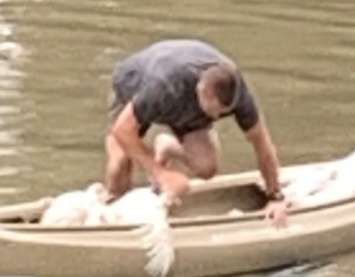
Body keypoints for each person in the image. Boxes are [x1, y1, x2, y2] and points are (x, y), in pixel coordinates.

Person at [104, 38, 288, 225]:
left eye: (222, 114)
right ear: (200, 90)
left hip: (186, 107)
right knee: (120, 162)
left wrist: (275, 196)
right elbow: (123, 130)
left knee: (207, 168)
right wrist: (160, 173)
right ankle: (112, 207)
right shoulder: (163, 85)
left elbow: (262, 143)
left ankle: (168, 144)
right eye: (213, 111)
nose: (216, 117)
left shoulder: (238, 93)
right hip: (137, 87)